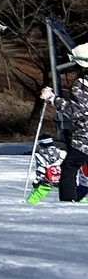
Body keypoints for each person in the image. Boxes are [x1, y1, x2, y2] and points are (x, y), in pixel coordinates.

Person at [43, 45, 88, 203]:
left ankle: (68, 201)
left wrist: (53, 99)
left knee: (69, 166)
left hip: (84, 138)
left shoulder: (82, 83)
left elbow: (77, 110)